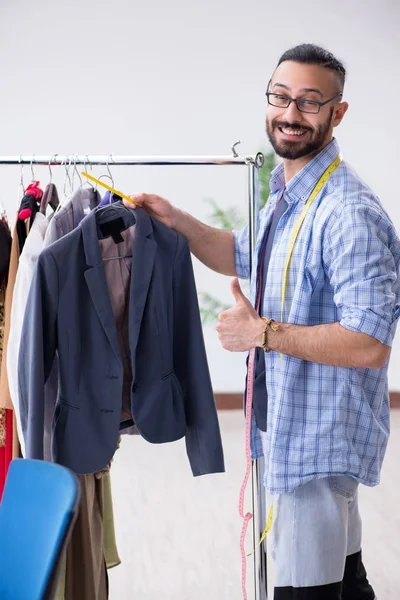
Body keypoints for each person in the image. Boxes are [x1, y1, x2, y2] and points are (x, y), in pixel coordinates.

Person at [125, 44, 400, 600]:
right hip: (296, 433)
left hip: (318, 444)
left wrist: (263, 334)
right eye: (280, 97)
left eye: (309, 102)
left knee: (307, 590)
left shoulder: (348, 212)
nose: (290, 113)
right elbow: (244, 253)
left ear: (337, 113)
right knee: (345, 584)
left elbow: (370, 343)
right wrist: (177, 222)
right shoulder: (289, 196)